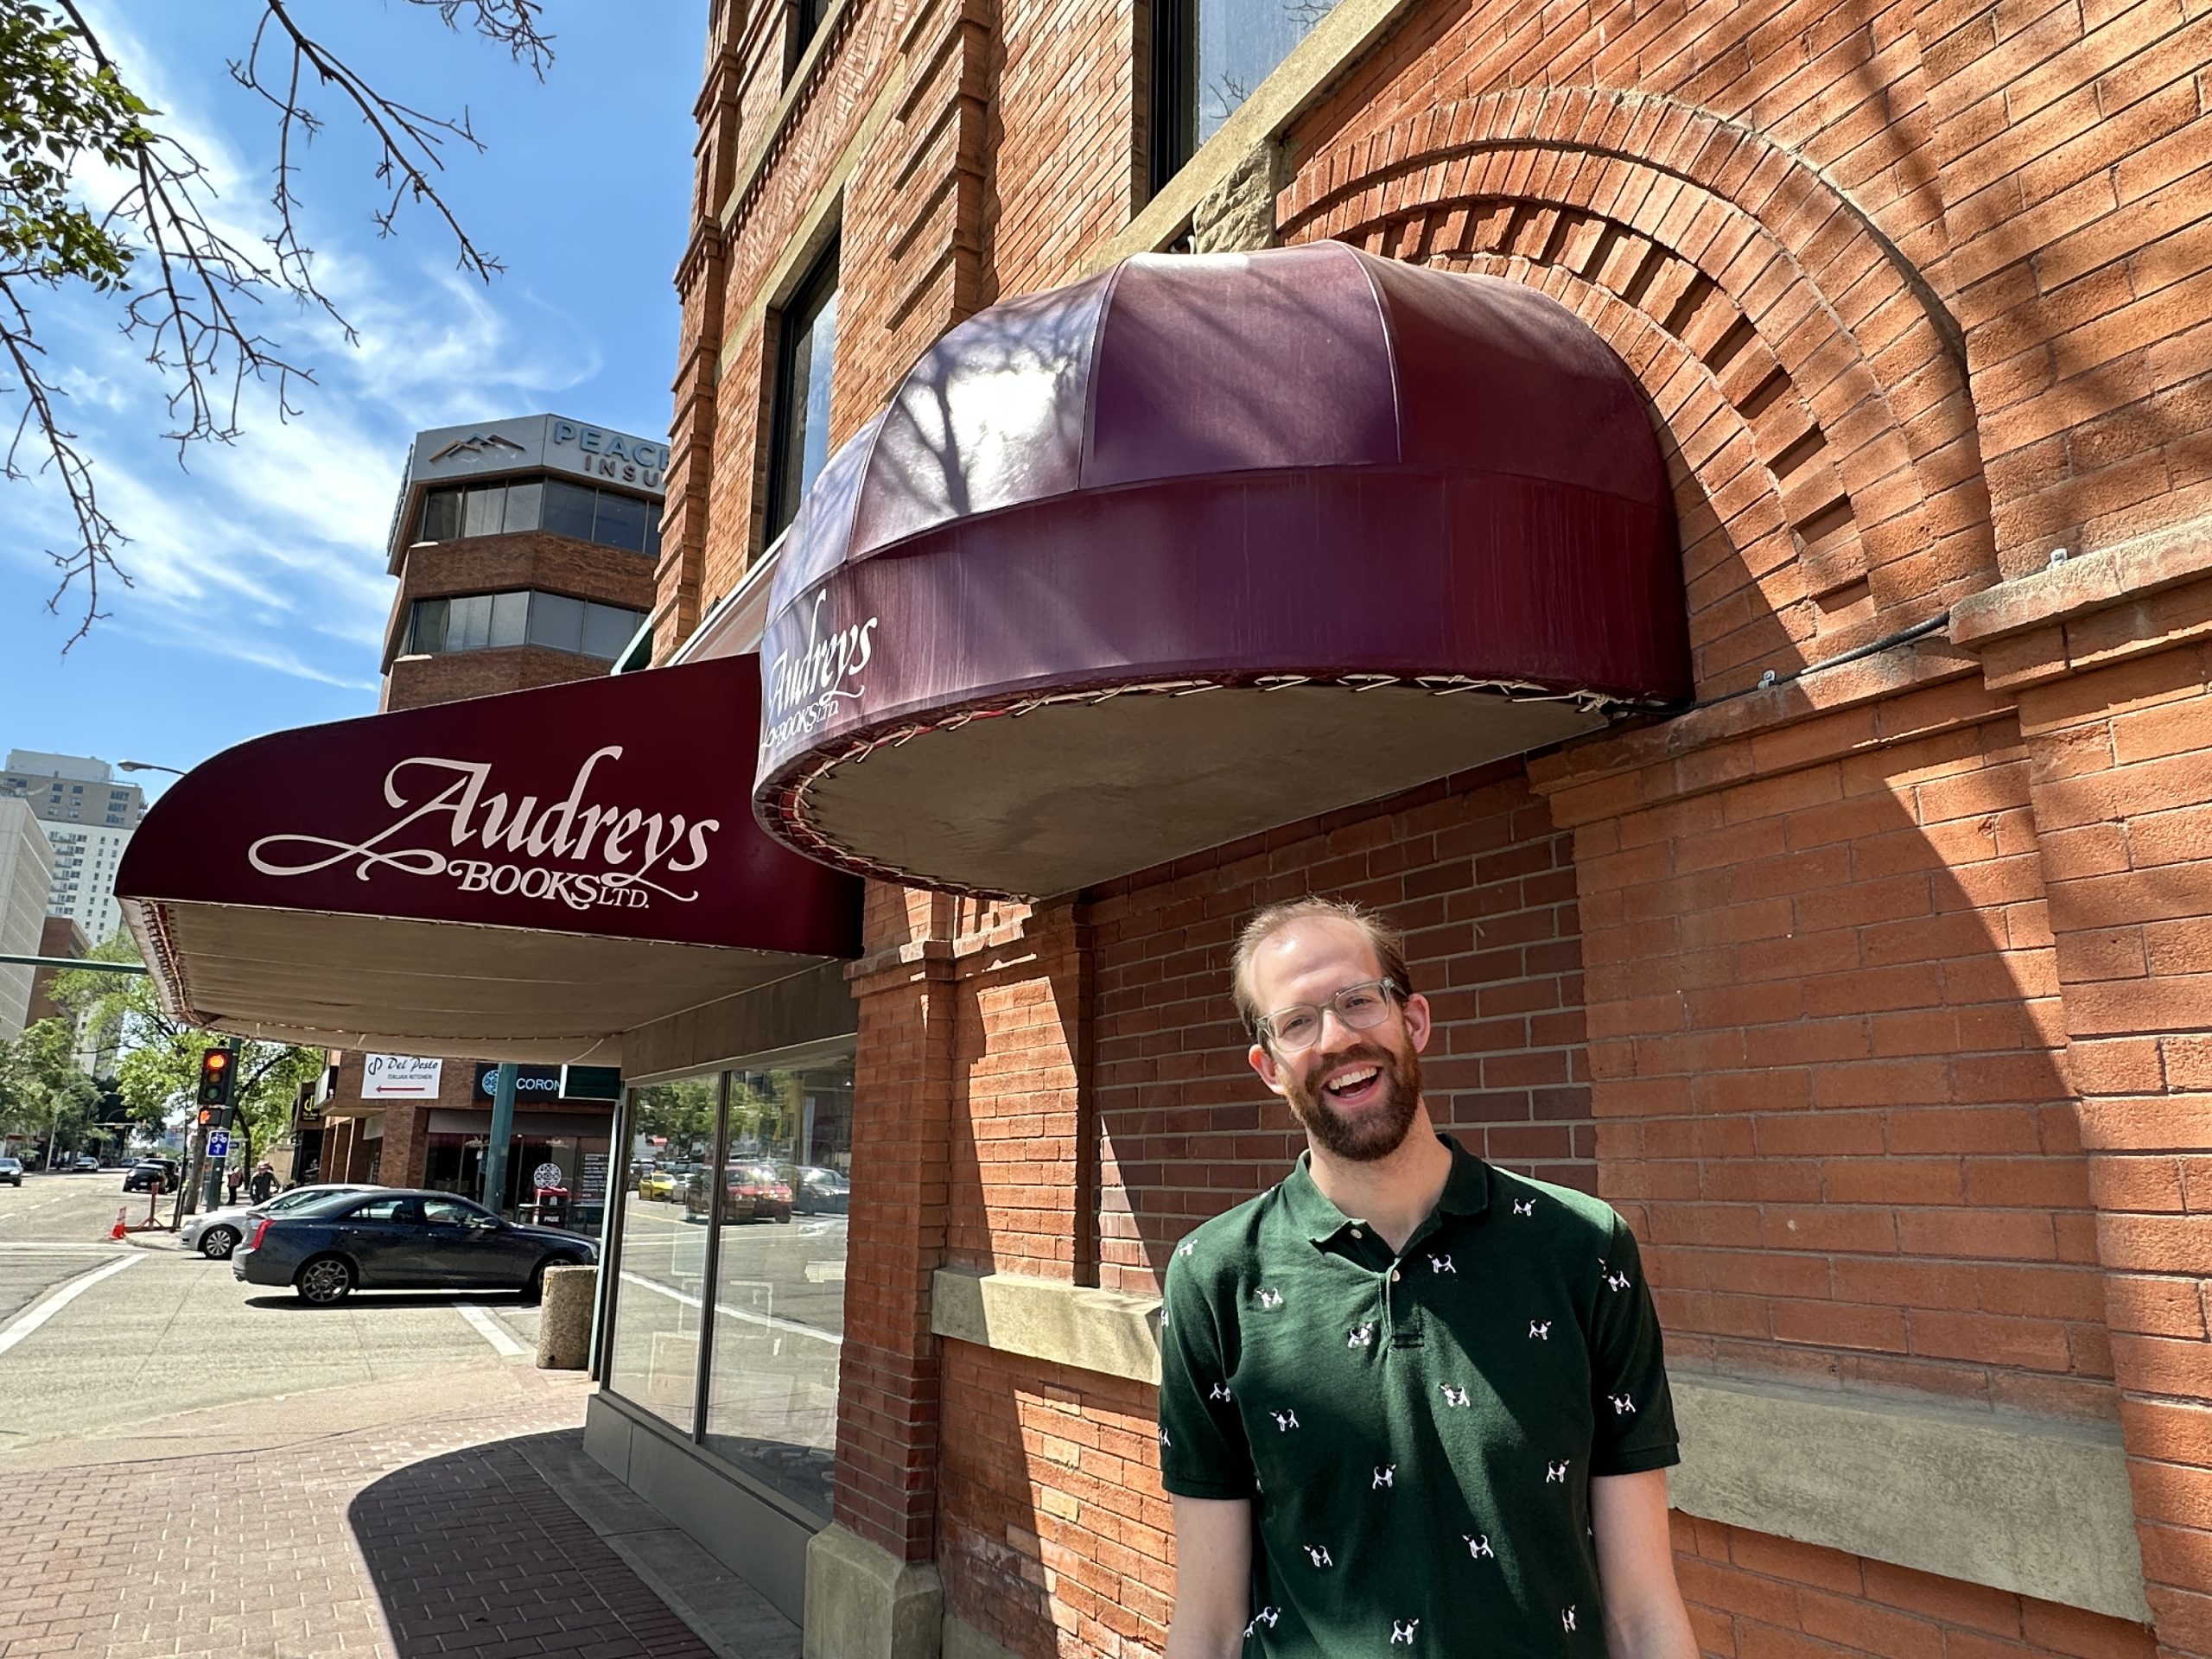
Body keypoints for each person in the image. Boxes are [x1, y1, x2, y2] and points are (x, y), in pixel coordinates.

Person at [1157, 897, 1697, 1658]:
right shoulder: (1214, 1274)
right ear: (1269, 1067)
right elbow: (1209, 1620)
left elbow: (1642, 1608)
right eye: (1297, 1021)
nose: (1337, 1037)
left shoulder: (1581, 1248)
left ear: (1412, 1021)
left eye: (1356, 1001)